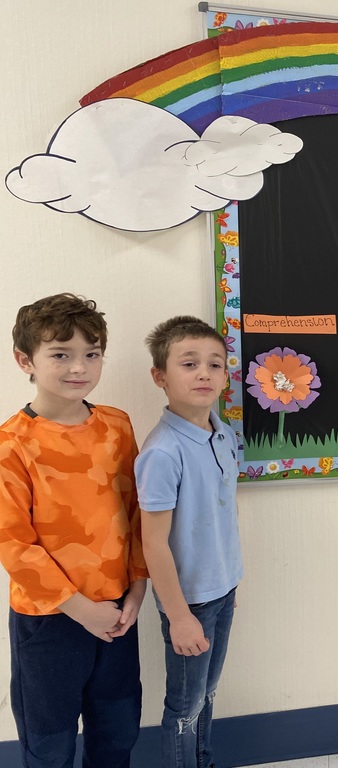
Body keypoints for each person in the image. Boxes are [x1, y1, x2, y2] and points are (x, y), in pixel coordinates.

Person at [0, 293, 147, 767]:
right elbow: (13, 543)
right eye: (60, 354)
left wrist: (138, 586)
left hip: (117, 609)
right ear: (25, 360)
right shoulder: (11, 444)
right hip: (50, 620)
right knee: (50, 742)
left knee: (118, 729)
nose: (79, 367)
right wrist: (81, 610)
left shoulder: (117, 426)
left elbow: (137, 511)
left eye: (92, 353)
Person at [135, 316, 242, 768]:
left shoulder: (223, 433)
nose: (204, 374)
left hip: (223, 589)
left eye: (215, 364)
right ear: (160, 376)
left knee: (208, 694)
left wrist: (230, 580)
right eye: (189, 363)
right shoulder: (162, 452)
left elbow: (221, 513)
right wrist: (179, 618)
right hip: (190, 602)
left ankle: (203, 761)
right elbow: (153, 544)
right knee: (184, 709)